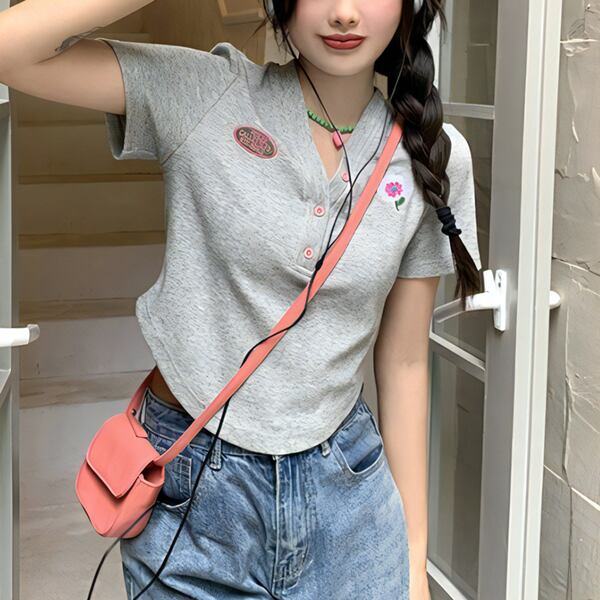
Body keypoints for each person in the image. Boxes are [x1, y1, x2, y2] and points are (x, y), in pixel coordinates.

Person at [0, 0, 482, 598]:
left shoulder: (436, 155)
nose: (344, 13)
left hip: (349, 494)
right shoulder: (207, 91)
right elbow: (9, 51)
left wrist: (413, 561)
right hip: (191, 494)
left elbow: (405, 361)